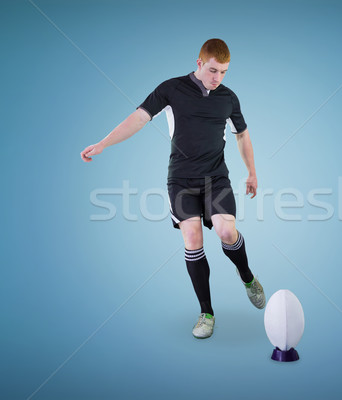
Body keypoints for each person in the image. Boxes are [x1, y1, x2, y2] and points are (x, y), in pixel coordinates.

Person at [80, 38, 265, 339]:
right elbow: (138, 118)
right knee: (192, 237)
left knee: (226, 232)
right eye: (213, 70)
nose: (217, 78)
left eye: (224, 72)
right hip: (181, 180)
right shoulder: (172, 89)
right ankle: (206, 312)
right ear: (199, 63)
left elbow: (242, 135)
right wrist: (103, 144)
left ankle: (247, 277)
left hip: (215, 178)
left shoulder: (229, 98)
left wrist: (252, 172)